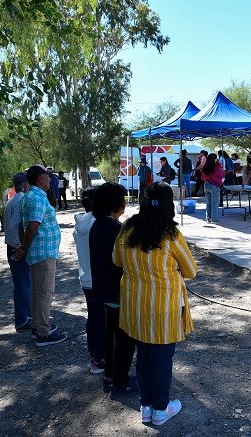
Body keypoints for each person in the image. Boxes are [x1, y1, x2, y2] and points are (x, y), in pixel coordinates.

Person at [112, 181, 197, 425]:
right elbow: (191, 270)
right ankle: (161, 409)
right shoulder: (171, 234)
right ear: (170, 204)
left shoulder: (127, 229)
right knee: (161, 358)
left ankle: (146, 406)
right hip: (164, 308)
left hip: (135, 306)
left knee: (143, 356)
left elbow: (117, 259)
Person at [12, 164, 67, 346]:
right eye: (47, 176)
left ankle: (37, 326)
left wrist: (24, 247)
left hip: (38, 251)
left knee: (37, 292)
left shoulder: (30, 196)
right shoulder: (37, 198)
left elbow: (23, 225)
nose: (51, 179)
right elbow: (33, 225)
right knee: (44, 293)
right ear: (39, 179)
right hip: (43, 252)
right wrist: (24, 247)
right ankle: (43, 333)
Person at [90, 182, 136, 398]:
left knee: (111, 335)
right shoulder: (115, 228)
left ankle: (110, 374)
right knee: (124, 339)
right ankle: (120, 381)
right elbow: (122, 261)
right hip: (117, 291)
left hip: (104, 291)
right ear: (116, 204)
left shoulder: (98, 224)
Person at [73, 187, 102, 373]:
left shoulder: (79, 225)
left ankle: (93, 354)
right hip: (99, 279)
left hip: (85, 279)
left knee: (93, 319)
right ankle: (99, 359)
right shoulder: (98, 224)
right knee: (101, 322)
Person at [5, 172, 32, 332]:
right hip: (17, 247)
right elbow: (18, 225)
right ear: (25, 185)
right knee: (23, 284)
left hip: (11, 245)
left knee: (22, 283)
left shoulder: (12, 201)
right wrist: (22, 247)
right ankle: (22, 319)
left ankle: (26, 314)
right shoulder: (21, 200)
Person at [200, 153, 224, 224]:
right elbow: (221, 175)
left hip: (206, 185)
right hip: (214, 186)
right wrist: (218, 164)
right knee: (215, 203)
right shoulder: (216, 167)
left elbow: (202, 177)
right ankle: (214, 219)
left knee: (208, 203)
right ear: (215, 159)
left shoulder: (205, 167)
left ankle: (208, 218)